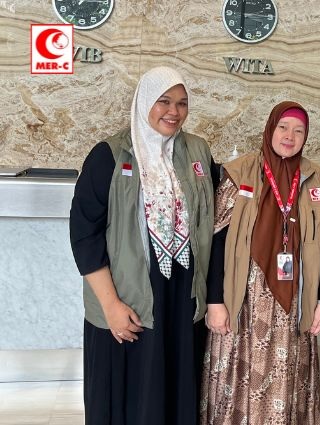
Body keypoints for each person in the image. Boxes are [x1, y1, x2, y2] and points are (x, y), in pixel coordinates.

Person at [69, 66, 216, 425]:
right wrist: (111, 306)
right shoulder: (109, 155)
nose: (174, 111)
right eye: (164, 101)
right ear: (144, 101)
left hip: (181, 296)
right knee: (128, 397)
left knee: (175, 392)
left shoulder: (197, 150)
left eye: (182, 103)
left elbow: (221, 205)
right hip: (129, 298)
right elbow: (84, 236)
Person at [200, 101, 320, 424]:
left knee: (287, 375)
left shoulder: (316, 179)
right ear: (270, 129)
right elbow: (216, 243)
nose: (290, 136)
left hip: (295, 301)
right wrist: (214, 301)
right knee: (237, 381)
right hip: (242, 301)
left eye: (299, 130)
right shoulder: (239, 174)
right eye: (283, 127)